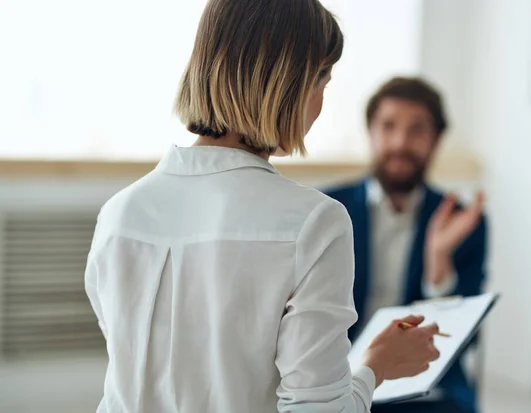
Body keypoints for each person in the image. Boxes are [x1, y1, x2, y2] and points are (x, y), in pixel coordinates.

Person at [85, 2, 441, 412]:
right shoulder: (314, 223)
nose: (321, 102)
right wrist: (377, 366)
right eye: (322, 80)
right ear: (291, 83)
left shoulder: (118, 214)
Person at [325, 77, 487, 413]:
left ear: (436, 140)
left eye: (417, 130)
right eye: (388, 126)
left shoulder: (464, 222)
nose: (401, 142)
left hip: (429, 382)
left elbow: (464, 338)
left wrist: (438, 261)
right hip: (342, 375)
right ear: (370, 132)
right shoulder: (325, 209)